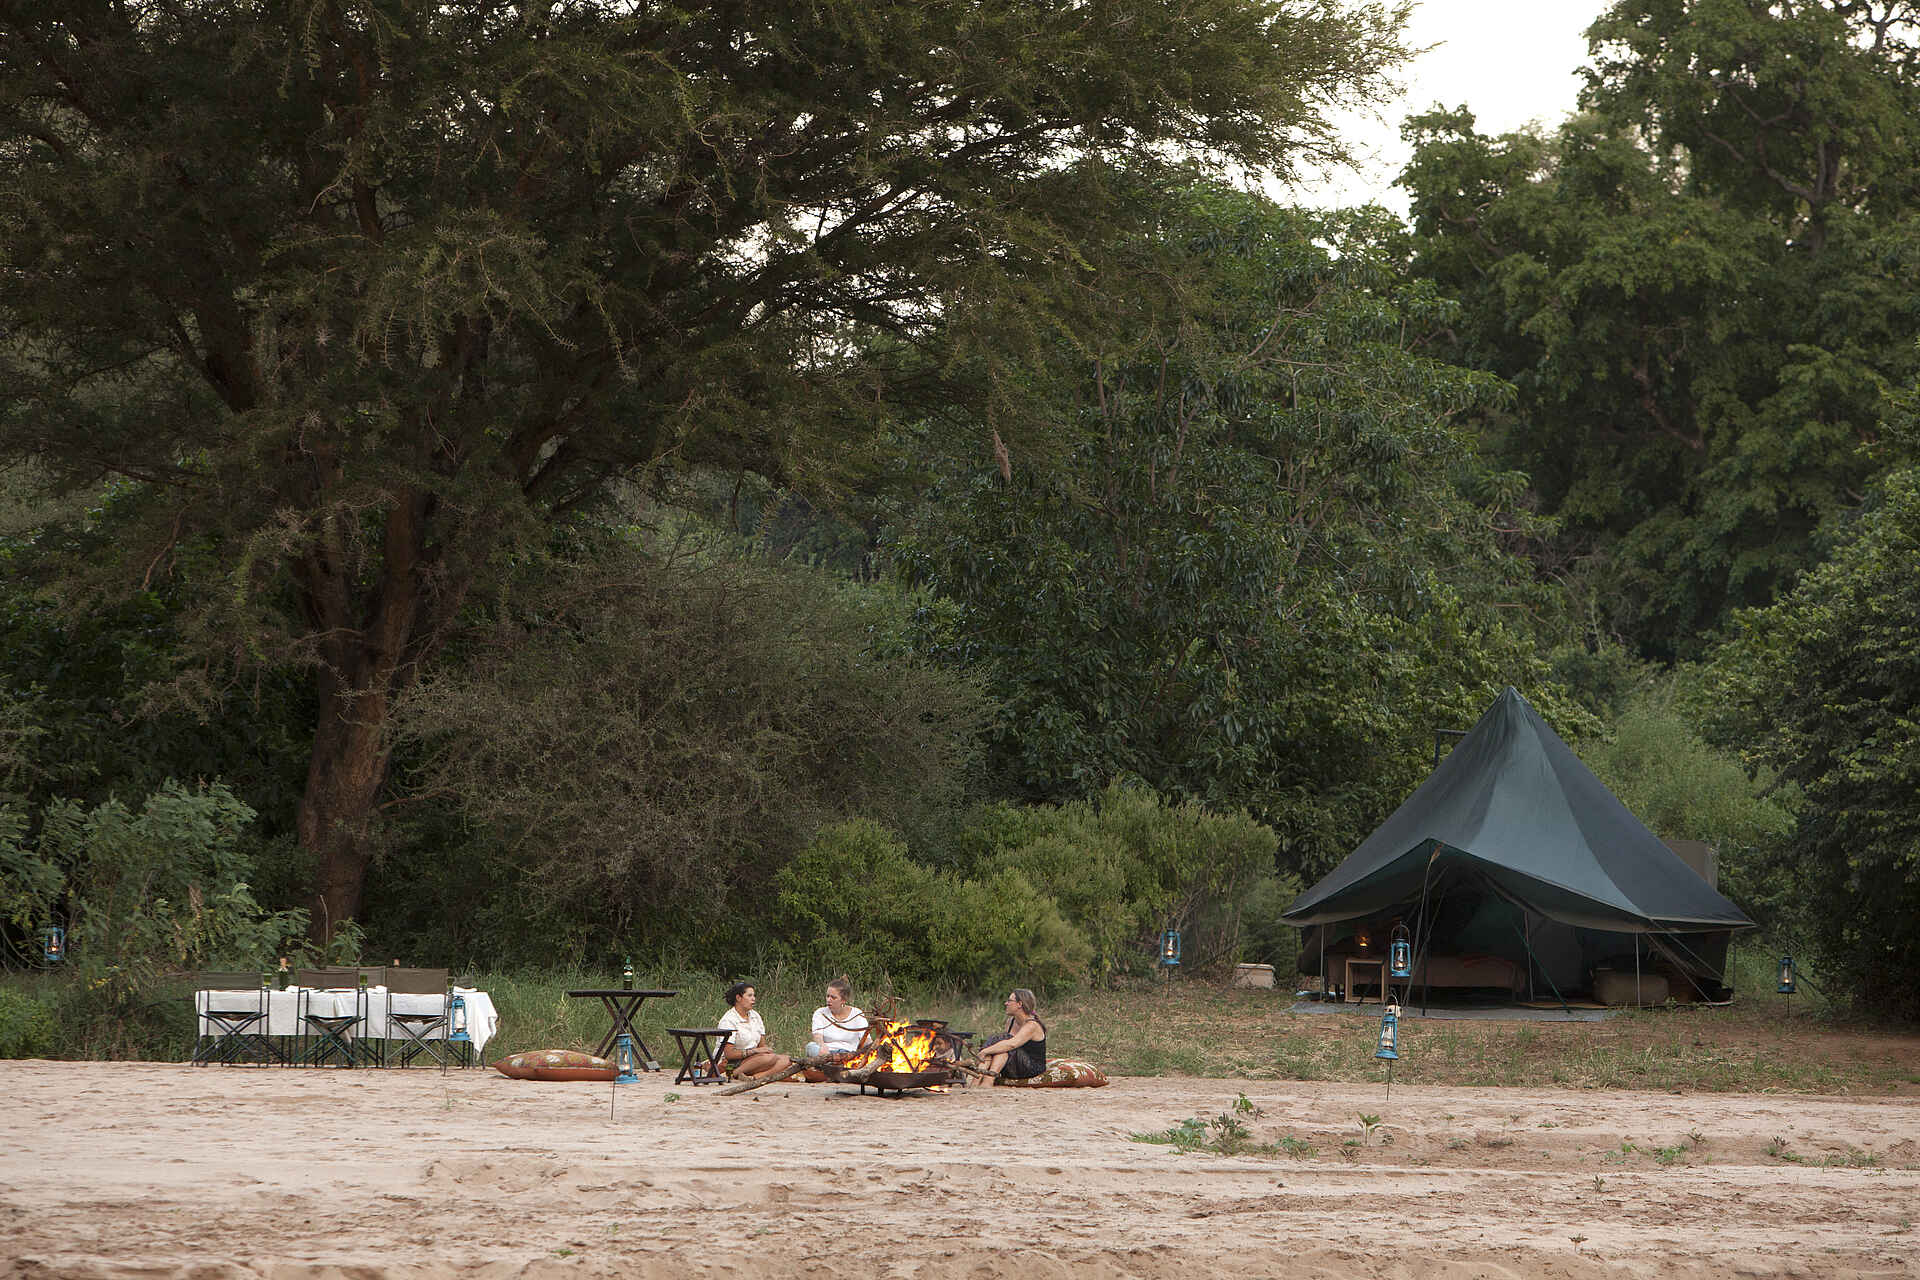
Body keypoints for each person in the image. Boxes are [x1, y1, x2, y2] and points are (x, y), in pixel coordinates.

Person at [716, 981, 792, 1080]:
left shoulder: (755, 1016)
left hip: (753, 1058)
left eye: (754, 995)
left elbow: (762, 1046)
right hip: (731, 1061)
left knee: (786, 1059)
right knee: (770, 1058)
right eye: (749, 995)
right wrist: (754, 1051)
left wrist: (765, 1052)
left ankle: (756, 1077)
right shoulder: (729, 1020)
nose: (753, 999)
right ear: (738, 998)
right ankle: (732, 1073)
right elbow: (729, 1054)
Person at [978, 988, 1046, 1082]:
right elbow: (1004, 1047)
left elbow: (1012, 1044)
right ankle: (977, 1081)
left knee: (1004, 1041)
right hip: (1012, 1064)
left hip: (1030, 1067)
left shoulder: (1032, 1025)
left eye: (1009, 1001)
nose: (1006, 1003)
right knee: (1000, 1048)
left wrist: (984, 1051)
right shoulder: (1011, 1021)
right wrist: (988, 1051)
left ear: (1019, 1004)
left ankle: (988, 1080)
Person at [806, 976, 869, 1060]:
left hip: (848, 1053)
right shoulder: (820, 1013)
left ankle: (837, 1063)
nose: (829, 1000)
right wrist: (822, 1046)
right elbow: (817, 1036)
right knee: (810, 1047)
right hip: (827, 1052)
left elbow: (866, 1038)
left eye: (833, 997)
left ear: (843, 1000)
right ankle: (829, 1062)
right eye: (827, 996)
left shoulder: (857, 1014)